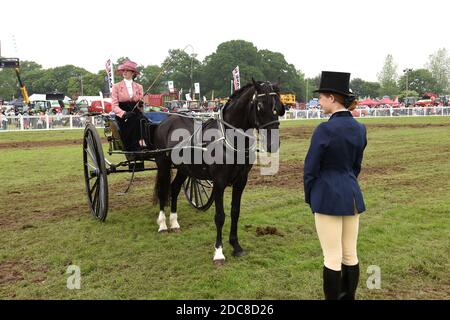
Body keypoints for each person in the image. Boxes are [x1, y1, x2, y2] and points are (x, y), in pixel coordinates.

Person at [303, 71, 367, 300]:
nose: (319, 102)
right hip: (351, 195)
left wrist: (311, 196)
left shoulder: (324, 129)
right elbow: (356, 166)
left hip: (327, 197)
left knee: (331, 257)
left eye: (321, 97)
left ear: (332, 98)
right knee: (350, 254)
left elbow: (310, 169)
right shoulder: (360, 128)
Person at [111, 59, 147, 151]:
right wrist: (123, 113)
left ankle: (144, 141)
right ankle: (133, 145)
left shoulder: (139, 87)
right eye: (124, 70)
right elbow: (114, 106)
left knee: (144, 120)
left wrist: (141, 104)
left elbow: (141, 104)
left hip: (135, 111)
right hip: (123, 115)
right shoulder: (116, 86)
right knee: (134, 120)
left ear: (133, 73)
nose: (125, 72)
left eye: (127, 70)